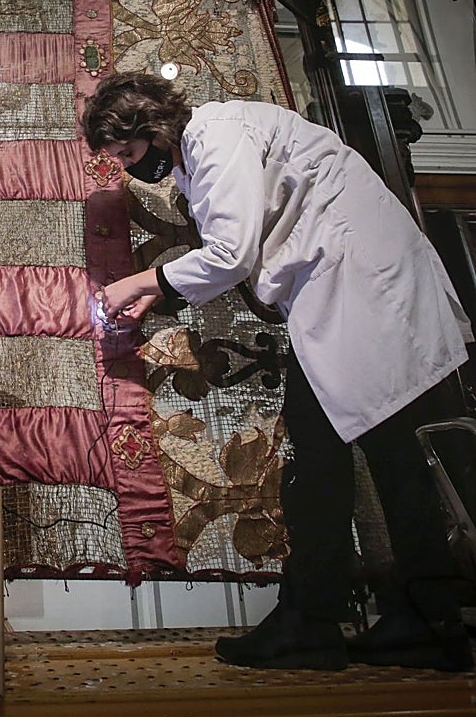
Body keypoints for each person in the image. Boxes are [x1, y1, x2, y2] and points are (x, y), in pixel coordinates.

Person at [81, 71, 474, 672]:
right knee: (357, 453)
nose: (130, 168)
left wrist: (135, 283)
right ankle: (411, 617)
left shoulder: (215, 136)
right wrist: (157, 292)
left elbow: (230, 253)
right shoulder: (203, 150)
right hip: (344, 284)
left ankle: (333, 620)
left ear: (154, 126)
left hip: (356, 282)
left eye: (129, 152)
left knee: (342, 454)